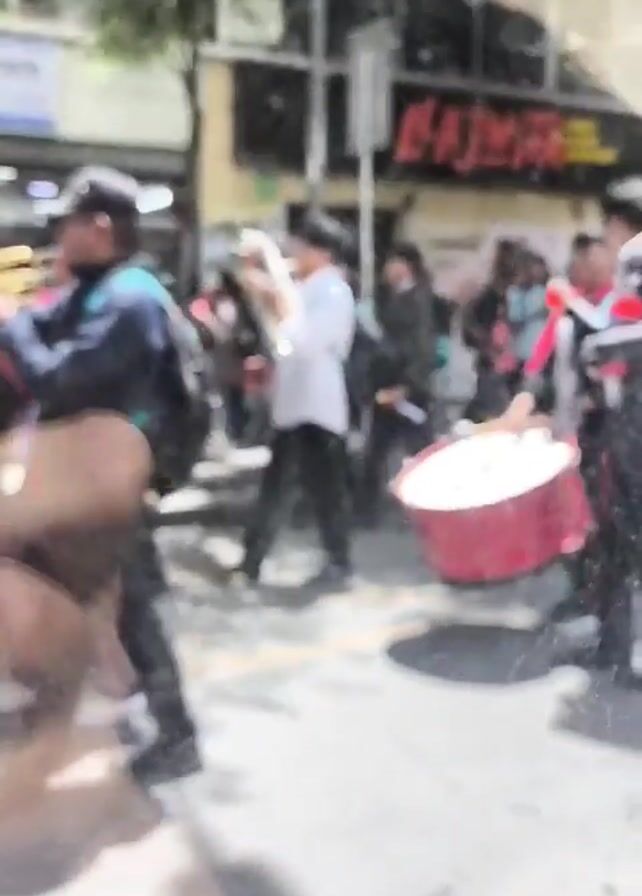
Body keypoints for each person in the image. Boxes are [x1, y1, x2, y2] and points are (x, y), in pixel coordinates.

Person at [0, 166, 201, 783]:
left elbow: (56, 378)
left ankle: (177, 734)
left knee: (133, 605)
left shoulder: (130, 301)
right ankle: (67, 703)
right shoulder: (97, 292)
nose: (59, 237)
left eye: (68, 224)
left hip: (115, 483)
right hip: (82, 478)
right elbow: (42, 329)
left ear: (102, 228)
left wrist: (11, 323)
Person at [234, 214, 356, 590]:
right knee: (278, 486)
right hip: (294, 402)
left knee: (325, 490)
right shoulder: (305, 289)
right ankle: (252, 561)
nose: (295, 253)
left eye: (302, 247)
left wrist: (277, 297)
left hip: (318, 405)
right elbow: (283, 341)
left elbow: (304, 342)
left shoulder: (333, 291)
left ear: (322, 252)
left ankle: (338, 561)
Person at [358, 242, 436, 524]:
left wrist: (408, 385)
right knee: (376, 450)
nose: (388, 269)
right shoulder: (386, 298)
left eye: (394, 262)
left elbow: (422, 347)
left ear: (407, 266)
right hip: (386, 383)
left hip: (408, 388)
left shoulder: (418, 300)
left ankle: (432, 505)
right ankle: (366, 510)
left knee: (420, 450)